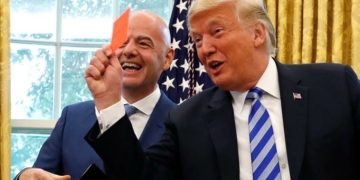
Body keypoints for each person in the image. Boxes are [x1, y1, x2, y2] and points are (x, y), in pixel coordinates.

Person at [84, 0, 360, 179]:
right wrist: (109, 102)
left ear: (257, 32)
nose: (205, 48)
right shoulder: (186, 120)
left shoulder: (335, 86)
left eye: (216, 32)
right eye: (197, 39)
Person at [15, 10, 176, 180]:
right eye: (122, 43)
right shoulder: (72, 118)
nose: (128, 51)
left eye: (143, 43)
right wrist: (24, 176)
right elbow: (39, 175)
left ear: (167, 58)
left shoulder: (182, 125)